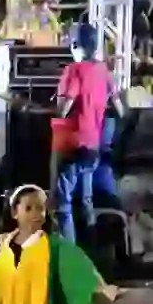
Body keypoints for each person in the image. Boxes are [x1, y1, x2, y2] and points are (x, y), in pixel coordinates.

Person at [53, 24, 124, 242]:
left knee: (63, 204)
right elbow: (120, 109)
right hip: (93, 145)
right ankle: (93, 245)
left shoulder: (74, 70)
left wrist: (58, 104)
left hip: (73, 143)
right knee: (86, 198)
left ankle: (70, 254)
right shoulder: (104, 71)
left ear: (76, 46)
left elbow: (63, 109)